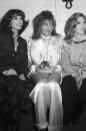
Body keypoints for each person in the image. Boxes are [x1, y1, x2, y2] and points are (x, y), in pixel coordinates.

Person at [27, 10, 63, 131]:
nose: (49, 27)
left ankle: (54, 126)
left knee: (53, 85)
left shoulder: (58, 39)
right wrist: (35, 68)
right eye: (45, 24)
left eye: (51, 24)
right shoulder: (31, 40)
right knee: (42, 85)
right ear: (39, 25)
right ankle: (41, 125)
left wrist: (55, 68)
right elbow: (28, 61)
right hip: (37, 71)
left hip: (55, 70)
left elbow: (62, 60)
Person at [0, 9, 34, 131]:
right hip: (2, 74)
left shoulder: (23, 42)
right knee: (15, 86)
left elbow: (24, 63)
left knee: (25, 84)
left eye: (21, 18)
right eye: (16, 18)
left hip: (15, 75)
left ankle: (11, 124)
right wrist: (4, 70)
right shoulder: (1, 37)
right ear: (9, 21)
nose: (20, 21)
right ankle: (12, 125)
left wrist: (22, 73)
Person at [61, 12, 86, 126]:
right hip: (71, 73)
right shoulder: (67, 43)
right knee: (66, 89)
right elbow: (65, 64)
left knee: (82, 95)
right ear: (72, 26)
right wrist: (76, 75)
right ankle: (67, 118)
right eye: (78, 23)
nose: (83, 26)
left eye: (84, 22)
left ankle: (76, 114)